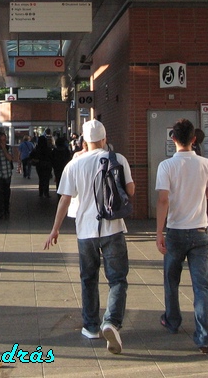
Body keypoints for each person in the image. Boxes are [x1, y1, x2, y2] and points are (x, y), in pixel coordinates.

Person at [44, 119, 135, 355]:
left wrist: (55, 229)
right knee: (117, 279)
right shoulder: (118, 159)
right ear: (104, 138)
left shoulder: (74, 164)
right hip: (113, 228)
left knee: (89, 279)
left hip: (85, 231)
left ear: (84, 141)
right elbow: (131, 190)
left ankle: (91, 327)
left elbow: (65, 199)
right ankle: (111, 322)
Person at [155, 119, 208, 354]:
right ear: (194, 139)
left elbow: (163, 200)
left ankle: (172, 321)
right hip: (200, 232)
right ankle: (203, 336)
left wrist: (158, 232)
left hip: (175, 232)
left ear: (173, 138)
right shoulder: (206, 164)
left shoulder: (166, 167)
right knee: (201, 286)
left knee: (171, 281)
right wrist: (199, 187)